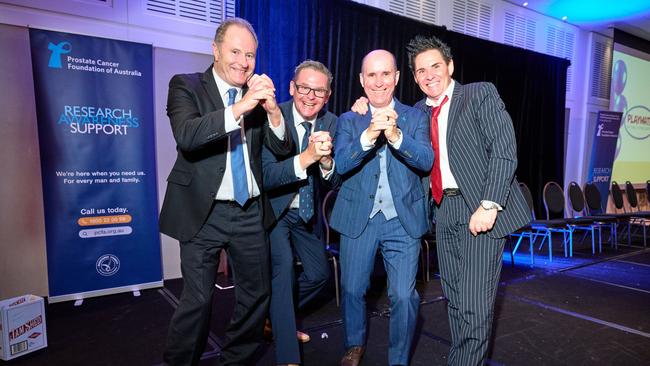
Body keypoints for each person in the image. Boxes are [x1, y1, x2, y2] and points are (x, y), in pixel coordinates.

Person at [353, 35, 531, 365]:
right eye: (421, 70)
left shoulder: (479, 93)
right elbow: (388, 126)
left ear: (449, 66)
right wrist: (364, 106)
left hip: (479, 208)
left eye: (435, 66)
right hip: (442, 211)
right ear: (414, 77)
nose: (429, 74)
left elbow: (505, 152)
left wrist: (490, 204)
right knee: (455, 298)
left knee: (475, 304)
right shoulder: (417, 112)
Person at [159, 17, 293, 366]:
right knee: (198, 301)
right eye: (235, 51)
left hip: (248, 211)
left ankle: (237, 360)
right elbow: (187, 135)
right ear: (215, 50)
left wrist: (274, 110)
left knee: (255, 295)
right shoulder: (186, 85)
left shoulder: (259, 98)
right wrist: (242, 106)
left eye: (250, 55)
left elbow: (283, 148)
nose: (243, 61)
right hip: (202, 212)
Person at [331, 49, 433, 366]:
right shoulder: (348, 120)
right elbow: (339, 167)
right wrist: (368, 136)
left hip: (402, 221)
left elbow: (427, 160)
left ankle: (399, 359)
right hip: (358, 218)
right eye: (371, 75)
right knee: (352, 289)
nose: (379, 82)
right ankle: (354, 344)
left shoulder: (415, 117)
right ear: (361, 80)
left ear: (397, 77)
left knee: (404, 295)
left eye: (385, 74)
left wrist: (396, 135)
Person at [262, 60, 341, 366]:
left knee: (320, 275)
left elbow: (335, 180)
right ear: (292, 88)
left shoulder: (331, 122)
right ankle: (288, 357)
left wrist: (325, 163)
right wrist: (307, 157)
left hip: (307, 214)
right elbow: (267, 176)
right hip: (278, 211)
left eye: (318, 91)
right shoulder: (272, 114)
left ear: (328, 95)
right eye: (304, 88)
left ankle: (274, 316)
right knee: (282, 274)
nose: (310, 96)